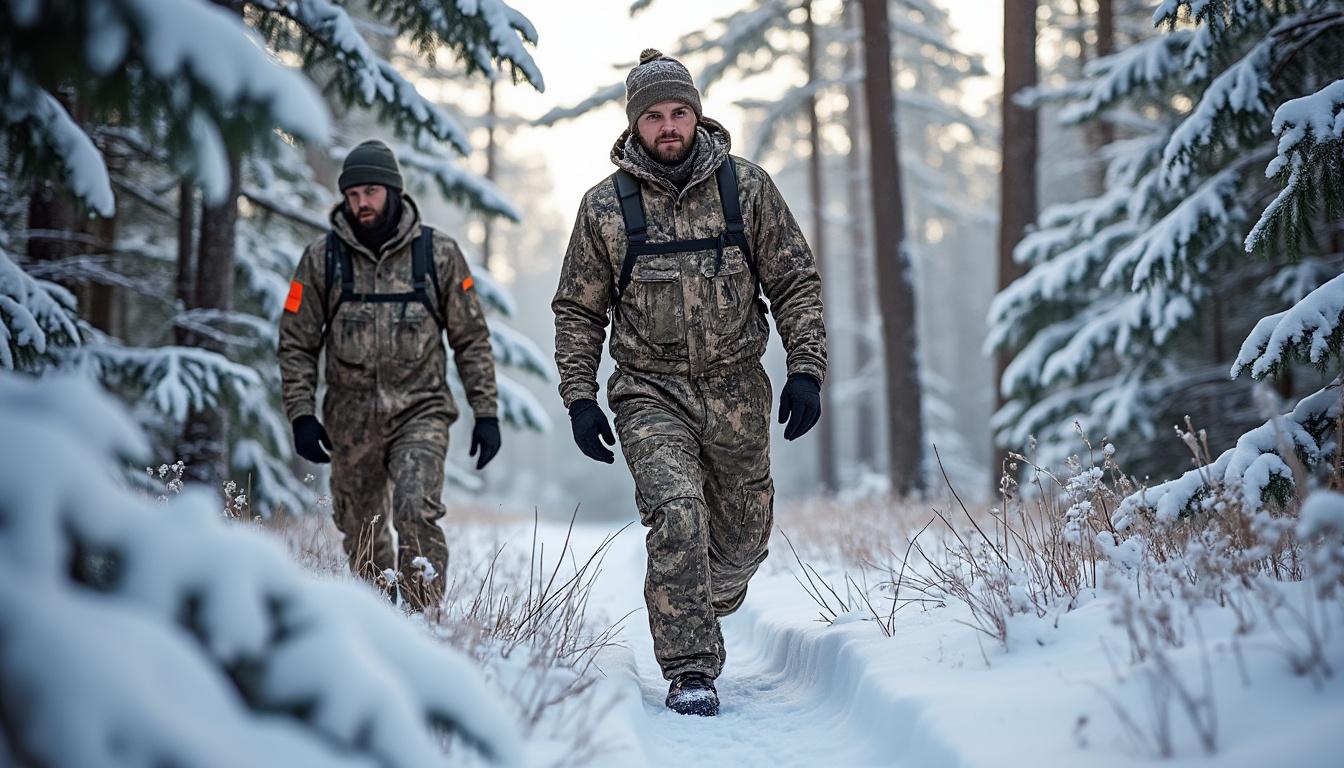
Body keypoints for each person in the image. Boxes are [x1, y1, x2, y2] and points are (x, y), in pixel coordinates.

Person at [552, 49, 827, 716]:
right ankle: (691, 669)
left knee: (739, 540)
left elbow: (795, 283)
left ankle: (710, 595)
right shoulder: (605, 210)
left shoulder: (748, 188)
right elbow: (578, 311)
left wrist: (806, 370)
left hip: (737, 390)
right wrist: (580, 398)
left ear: (697, 114)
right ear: (635, 124)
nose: (668, 126)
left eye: (679, 112)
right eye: (654, 116)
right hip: (650, 392)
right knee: (676, 513)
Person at [278, 139, 500, 610]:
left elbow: (471, 338)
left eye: (371, 192)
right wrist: (301, 415)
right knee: (361, 530)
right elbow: (296, 342)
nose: (361, 203)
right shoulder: (322, 259)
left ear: (393, 192)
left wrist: (487, 413)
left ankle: (421, 624)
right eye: (353, 194)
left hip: (421, 412)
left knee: (415, 511)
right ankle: (377, 623)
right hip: (349, 419)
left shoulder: (437, 255)